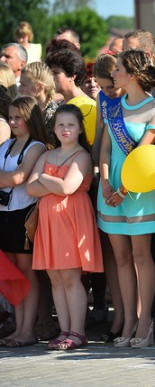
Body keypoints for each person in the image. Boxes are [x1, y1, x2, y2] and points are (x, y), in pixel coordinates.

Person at [97, 49, 155, 349]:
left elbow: (142, 154)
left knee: (141, 257)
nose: (114, 75)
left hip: (137, 193)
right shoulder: (112, 107)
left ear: (133, 74)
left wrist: (123, 189)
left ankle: (144, 320)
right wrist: (106, 184)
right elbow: (106, 150)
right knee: (121, 258)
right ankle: (127, 320)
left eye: (119, 69)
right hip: (110, 191)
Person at [27, 104, 103, 350]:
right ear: (54, 128)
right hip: (49, 223)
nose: (65, 129)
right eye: (60, 124)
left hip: (71, 221)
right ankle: (65, 331)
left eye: (71, 124)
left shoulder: (81, 156)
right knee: (56, 278)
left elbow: (67, 188)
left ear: (80, 128)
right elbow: (30, 187)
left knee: (70, 277)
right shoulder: (47, 154)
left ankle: (78, 331)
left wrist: (45, 179)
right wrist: (52, 183)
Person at [0, 96, 48, 347]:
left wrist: (9, 177)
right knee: (13, 276)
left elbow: (19, 178)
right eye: (10, 116)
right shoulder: (6, 146)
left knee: (27, 274)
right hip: (4, 214)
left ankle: (28, 329)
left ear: (30, 119)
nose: (13, 121)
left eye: (19, 117)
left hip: (24, 215)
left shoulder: (36, 146)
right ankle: (19, 328)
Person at [92, 53, 125, 343]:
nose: (107, 93)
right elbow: (101, 141)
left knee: (136, 255)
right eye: (102, 88)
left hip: (132, 181)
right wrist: (102, 179)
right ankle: (120, 313)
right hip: (107, 178)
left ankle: (137, 316)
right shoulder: (104, 100)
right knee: (113, 255)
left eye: (110, 87)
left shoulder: (138, 99)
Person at [18, 62, 59, 144]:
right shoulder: (25, 108)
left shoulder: (53, 115)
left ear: (39, 87)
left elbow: (50, 146)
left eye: (23, 85)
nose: (19, 89)